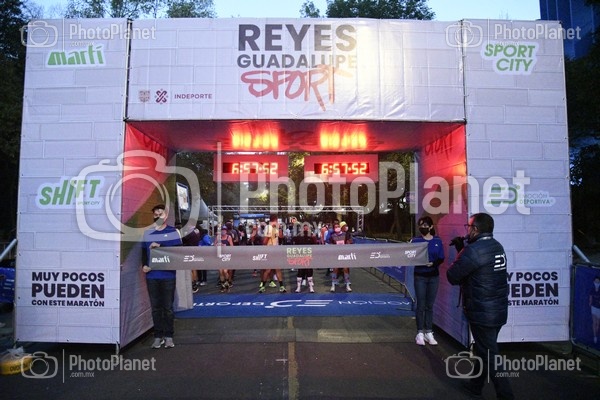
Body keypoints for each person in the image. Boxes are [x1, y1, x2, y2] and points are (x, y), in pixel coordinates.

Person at [446, 213, 514, 399]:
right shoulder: (497, 246)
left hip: (482, 313)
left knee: (490, 355)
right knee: (485, 349)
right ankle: (475, 386)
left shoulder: (473, 251)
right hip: (497, 311)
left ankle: (506, 395)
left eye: (468, 227)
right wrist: (464, 249)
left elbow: (452, 276)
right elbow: (477, 268)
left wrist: (461, 251)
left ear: (475, 229)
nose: (467, 230)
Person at [141, 204, 182, 349]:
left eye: (161, 214)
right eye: (156, 214)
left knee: (168, 308)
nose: (158, 216)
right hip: (152, 276)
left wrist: (161, 246)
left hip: (168, 274)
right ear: (153, 216)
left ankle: (169, 336)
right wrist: (144, 265)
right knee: (155, 308)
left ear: (166, 216)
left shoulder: (173, 232)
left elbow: (178, 252)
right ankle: (158, 336)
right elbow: (143, 252)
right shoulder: (147, 233)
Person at [411, 216, 444, 346]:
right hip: (420, 276)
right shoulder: (416, 241)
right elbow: (410, 256)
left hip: (433, 276)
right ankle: (419, 332)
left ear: (430, 227)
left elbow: (441, 258)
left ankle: (429, 332)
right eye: (420, 225)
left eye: (425, 225)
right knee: (421, 304)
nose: (422, 227)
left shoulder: (437, 241)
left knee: (429, 305)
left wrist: (433, 264)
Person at [259, 214, 286, 293]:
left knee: (277, 269)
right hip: (269, 251)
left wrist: (279, 228)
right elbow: (265, 241)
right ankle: (263, 286)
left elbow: (281, 236)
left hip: (275, 251)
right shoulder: (268, 227)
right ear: (275, 219)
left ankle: (281, 286)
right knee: (268, 269)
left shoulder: (276, 227)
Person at [292, 222, 318, 293]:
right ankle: (298, 287)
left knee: (309, 271)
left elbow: (315, 245)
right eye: (304, 227)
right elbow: (294, 244)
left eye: (307, 227)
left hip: (309, 256)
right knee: (300, 271)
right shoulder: (298, 236)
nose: (305, 229)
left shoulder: (311, 236)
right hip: (301, 256)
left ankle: (311, 287)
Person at [329, 221, 352, 292]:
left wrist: (348, 244)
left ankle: (347, 284)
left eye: (338, 226)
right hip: (336, 255)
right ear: (334, 229)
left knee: (345, 269)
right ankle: (333, 284)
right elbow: (330, 245)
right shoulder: (332, 236)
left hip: (344, 254)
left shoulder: (345, 234)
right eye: (335, 227)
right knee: (335, 269)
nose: (337, 228)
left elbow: (349, 243)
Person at [215, 226, 233, 292]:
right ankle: (223, 285)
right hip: (220, 256)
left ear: (226, 231)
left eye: (224, 230)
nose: (223, 231)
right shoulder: (218, 237)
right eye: (222, 230)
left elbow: (232, 247)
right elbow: (214, 245)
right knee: (220, 272)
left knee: (225, 271)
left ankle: (227, 284)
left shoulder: (229, 237)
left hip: (226, 256)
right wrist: (217, 245)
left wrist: (225, 246)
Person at [590, 275, 600, 344]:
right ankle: (595, 336)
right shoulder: (592, 290)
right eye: (596, 282)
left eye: (598, 282)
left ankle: (596, 334)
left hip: (599, 308)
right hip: (593, 307)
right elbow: (590, 298)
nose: (597, 283)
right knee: (594, 322)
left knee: (597, 324)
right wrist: (590, 302)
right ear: (594, 282)